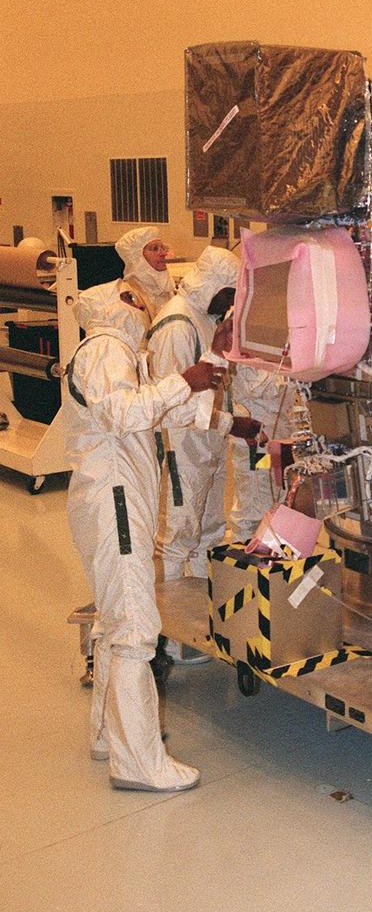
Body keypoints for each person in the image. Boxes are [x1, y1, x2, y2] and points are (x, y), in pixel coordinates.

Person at [64, 280, 223, 790]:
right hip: (114, 498)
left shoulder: (122, 354)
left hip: (113, 495)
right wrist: (186, 380)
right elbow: (123, 413)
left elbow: (157, 408)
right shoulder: (105, 347)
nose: (146, 302)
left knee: (115, 623)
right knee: (133, 625)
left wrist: (210, 387)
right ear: (114, 305)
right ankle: (137, 762)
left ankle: (107, 737)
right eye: (133, 296)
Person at [148, 246, 258, 579]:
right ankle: (170, 604)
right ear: (211, 285)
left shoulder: (205, 317)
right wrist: (231, 424)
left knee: (209, 529)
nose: (230, 302)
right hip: (182, 448)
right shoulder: (177, 324)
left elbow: (212, 381)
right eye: (228, 294)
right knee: (177, 535)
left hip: (206, 443)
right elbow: (171, 404)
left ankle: (199, 595)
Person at [228, 364, 290, 542]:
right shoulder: (246, 355)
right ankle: (245, 551)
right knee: (252, 508)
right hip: (255, 445)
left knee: (277, 502)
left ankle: (271, 552)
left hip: (278, 440)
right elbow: (254, 387)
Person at [114, 226, 176, 323]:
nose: (163, 253)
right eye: (155, 249)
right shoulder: (128, 295)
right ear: (137, 257)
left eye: (163, 248)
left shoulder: (169, 288)